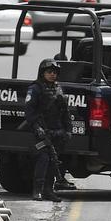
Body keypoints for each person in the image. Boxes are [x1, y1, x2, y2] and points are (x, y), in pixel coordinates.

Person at [24, 59, 72, 202]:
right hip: (42, 132)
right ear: (42, 73)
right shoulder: (35, 88)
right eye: (49, 72)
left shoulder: (58, 89)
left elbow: (66, 112)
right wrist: (37, 128)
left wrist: (68, 130)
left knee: (53, 161)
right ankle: (37, 191)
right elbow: (29, 111)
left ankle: (49, 191)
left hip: (56, 132)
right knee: (43, 159)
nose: (52, 75)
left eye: (55, 72)